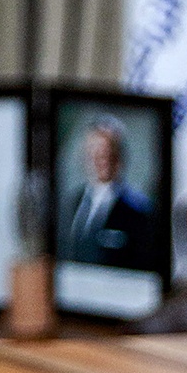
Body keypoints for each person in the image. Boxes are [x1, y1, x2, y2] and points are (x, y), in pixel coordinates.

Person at [58, 116, 157, 272]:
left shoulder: (139, 211)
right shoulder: (72, 202)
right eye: (92, 153)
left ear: (118, 159)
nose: (97, 160)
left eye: (104, 153)